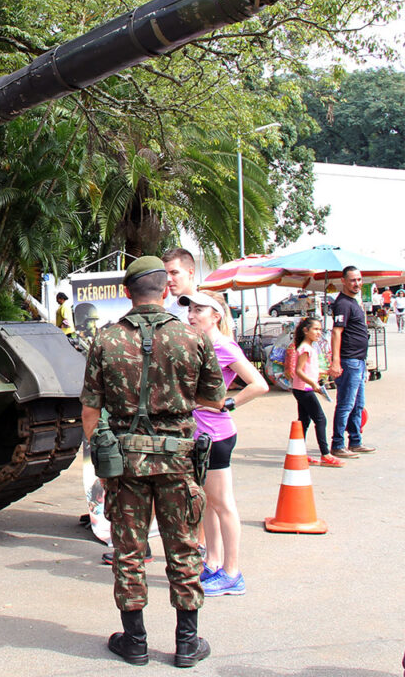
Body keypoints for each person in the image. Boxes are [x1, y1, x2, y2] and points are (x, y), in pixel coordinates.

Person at [81, 255, 225, 668]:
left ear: (127, 293)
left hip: (125, 465)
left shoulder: (105, 340)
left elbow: (91, 413)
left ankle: (136, 641)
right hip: (178, 462)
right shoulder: (192, 338)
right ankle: (186, 642)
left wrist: (105, 455)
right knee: (183, 549)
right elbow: (214, 399)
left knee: (128, 550)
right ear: (165, 290)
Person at [182, 291, 268, 598]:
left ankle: (233, 573)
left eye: (199, 310)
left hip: (215, 437)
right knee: (207, 502)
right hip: (200, 436)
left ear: (216, 316)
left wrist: (228, 404)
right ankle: (213, 562)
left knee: (224, 505)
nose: (192, 315)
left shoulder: (222, 345)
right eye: (190, 309)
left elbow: (259, 384)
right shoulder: (200, 344)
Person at [329, 266, 376, 458]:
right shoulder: (342, 304)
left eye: (359, 279)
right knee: (346, 404)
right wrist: (336, 361)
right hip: (349, 361)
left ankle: (355, 441)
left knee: (358, 404)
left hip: (359, 361)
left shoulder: (353, 302)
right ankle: (338, 444)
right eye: (352, 280)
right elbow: (336, 332)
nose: (356, 283)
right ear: (344, 281)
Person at [292, 317, 341, 467]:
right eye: (315, 329)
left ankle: (300, 453)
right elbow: (298, 371)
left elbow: (309, 369)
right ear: (306, 331)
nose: (319, 332)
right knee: (320, 419)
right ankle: (325, 454)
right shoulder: (305, 348)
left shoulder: (308, 347)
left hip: (302, 388)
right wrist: (313, 383)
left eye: (320, 329)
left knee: (304, 421)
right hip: (304, 389)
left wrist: (326, 372)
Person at [162, 248, 196, 323]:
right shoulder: (165, 314)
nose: (168, 279)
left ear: (191, 273)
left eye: (174, 273)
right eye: (165, 274)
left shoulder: (209, 309)